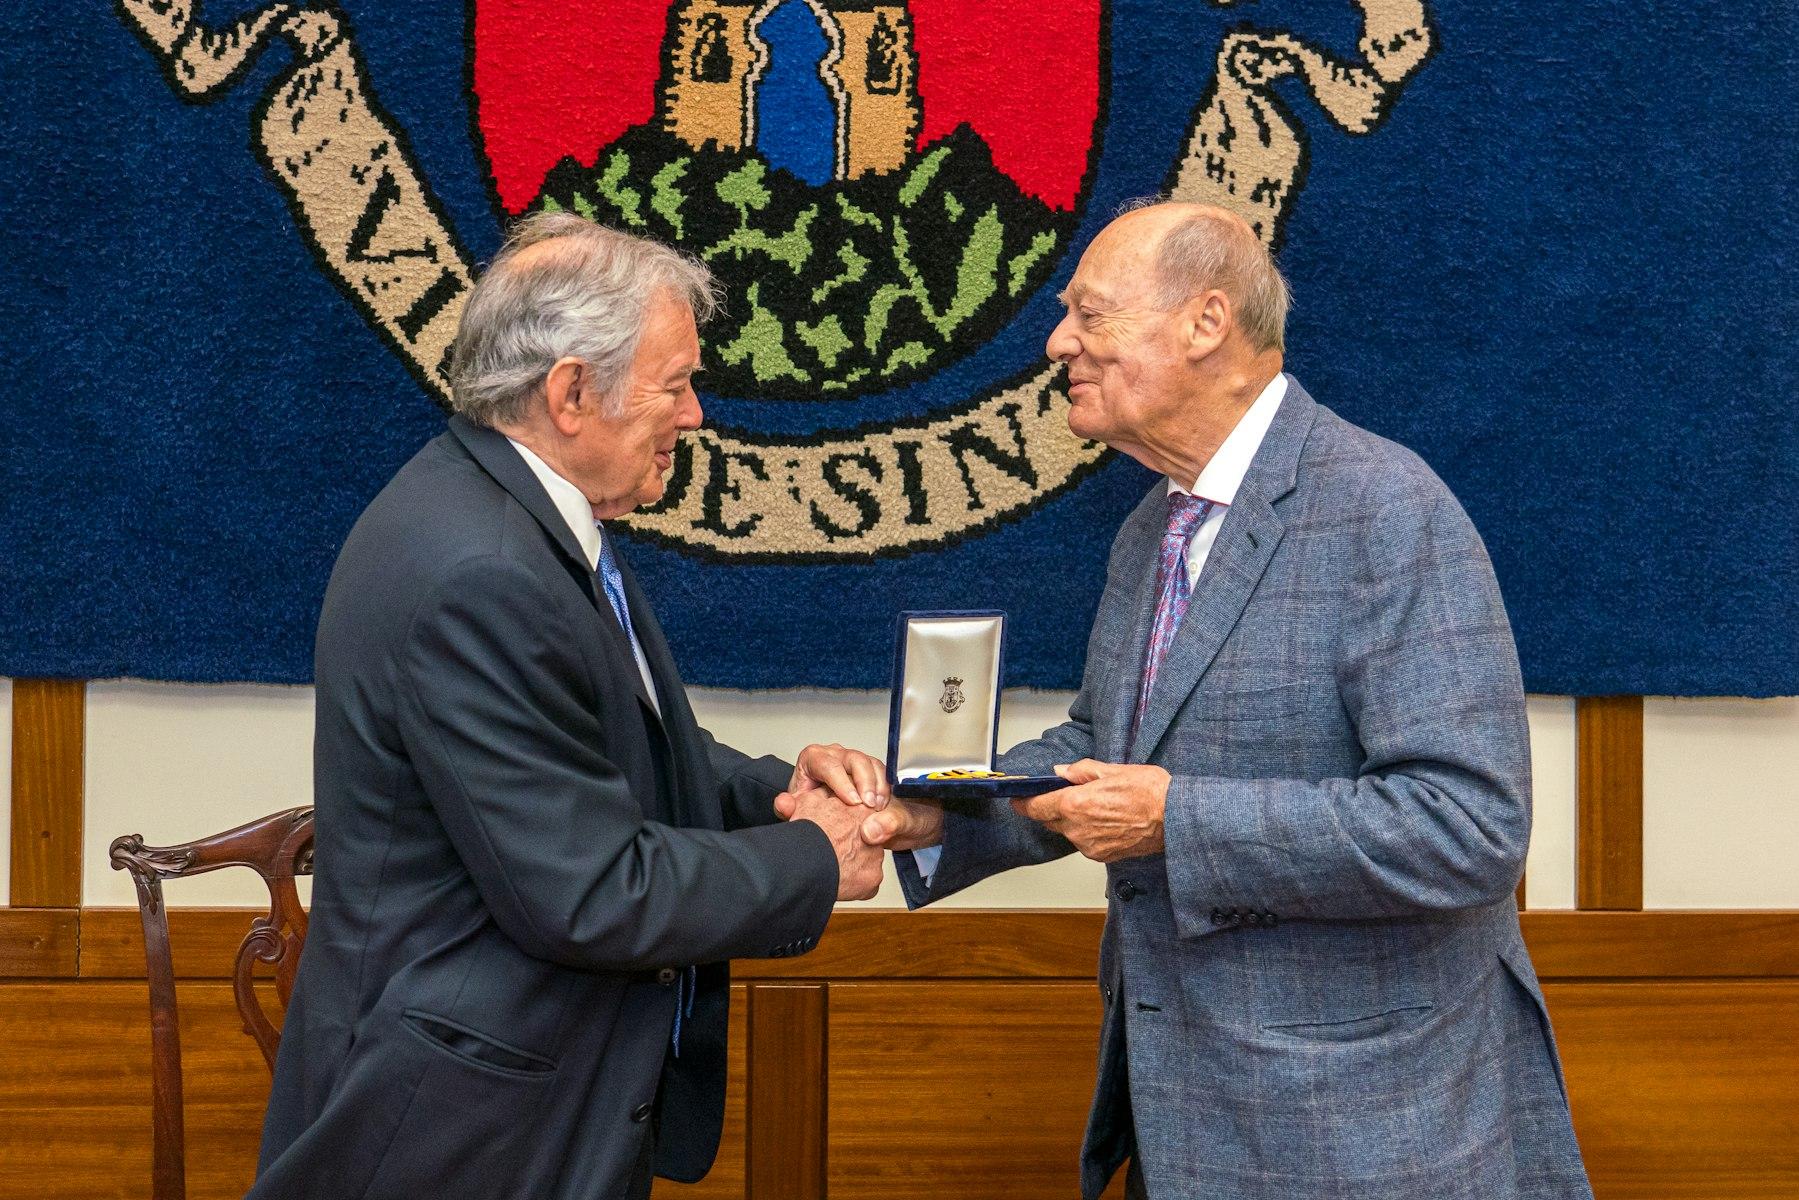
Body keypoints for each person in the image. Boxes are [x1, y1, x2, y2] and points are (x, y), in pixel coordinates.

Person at [833, 201, 1594, 1198]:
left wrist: (1175, 819)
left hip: (1364, 1134)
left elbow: (1468, 827)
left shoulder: (1387, 510)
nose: (1058, 342)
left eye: (1088, 315)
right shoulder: (1153, 525)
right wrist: (938, 812)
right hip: (1184, 1112)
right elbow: (1102, 747)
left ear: (1203, 323)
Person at [251, 212, 887, 1200]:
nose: (696, 416)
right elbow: (587, 892)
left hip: (511, 1104)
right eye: (675, 384)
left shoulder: (500, 514)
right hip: (460, 1132)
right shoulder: (481, 568)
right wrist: (812, 857)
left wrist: (776, 794)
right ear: (572, 392)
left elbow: (595, 746)